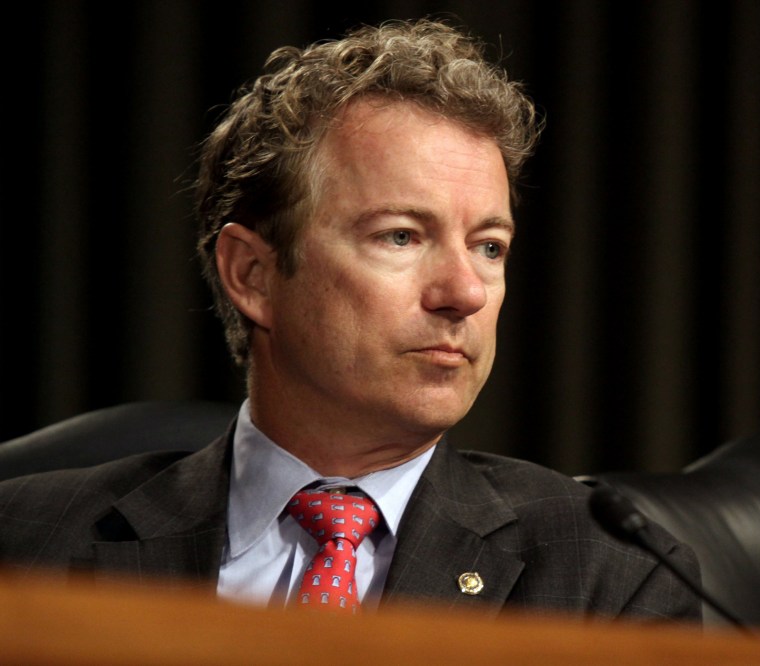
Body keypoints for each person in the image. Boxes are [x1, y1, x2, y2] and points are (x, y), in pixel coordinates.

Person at [0, 19, 700, 621]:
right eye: (401, 236)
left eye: (489, 247)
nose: (464, 291)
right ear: (253, 275)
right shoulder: (24, 544)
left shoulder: (609, 577)